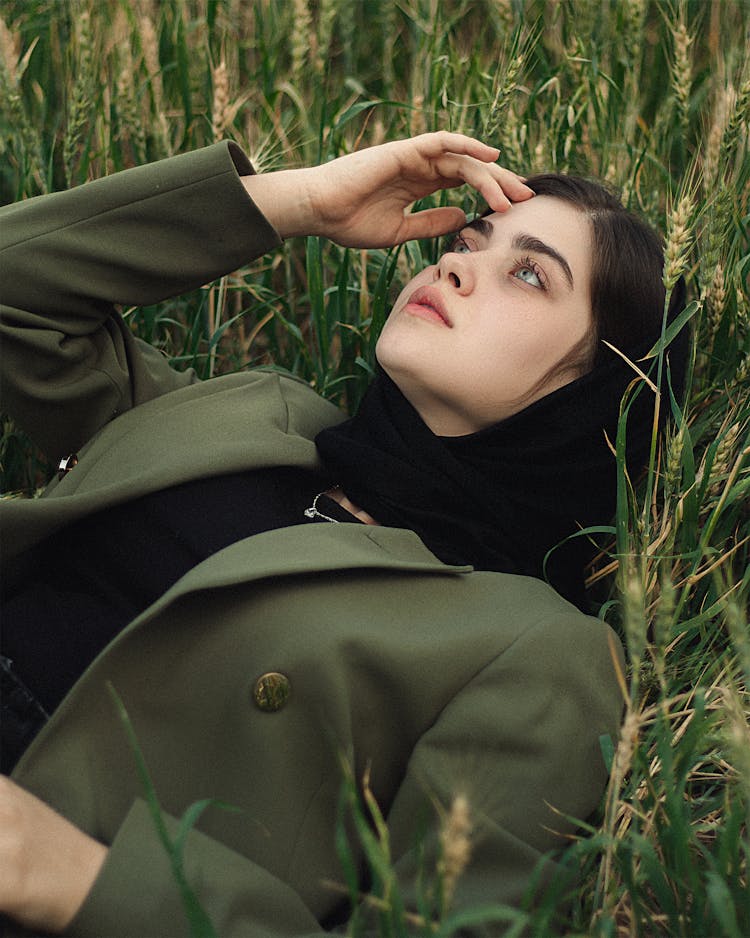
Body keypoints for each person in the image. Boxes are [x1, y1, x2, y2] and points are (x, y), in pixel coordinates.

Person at [0, 132, 686, 936]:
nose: (455, 265)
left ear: (603, 389)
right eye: (467, 242)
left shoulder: (537, 650)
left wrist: (63, 873)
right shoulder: (259, 413)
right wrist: (299, 203)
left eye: (529, 273)